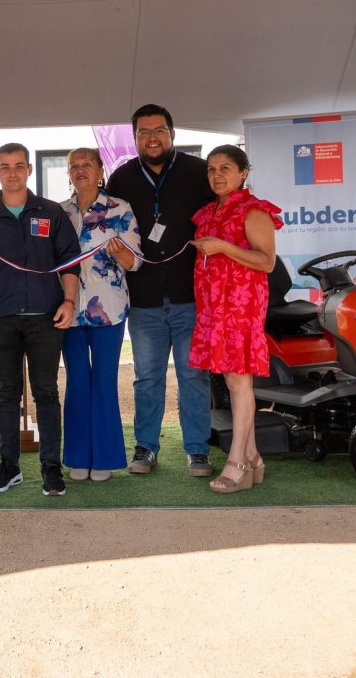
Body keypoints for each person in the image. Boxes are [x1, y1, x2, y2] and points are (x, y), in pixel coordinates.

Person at [0, 143, 80, 496]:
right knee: (7, 393)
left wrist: (69, 301)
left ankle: (51, 469)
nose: (12, 172)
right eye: (5, 166)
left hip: (45, 316)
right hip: (2, 317)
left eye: (18, 166)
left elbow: (70, 261)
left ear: (28, 169)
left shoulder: (51, 212)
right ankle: (9, 467)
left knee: (46, 392)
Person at [106, 104, 215, 478]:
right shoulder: (121, 178)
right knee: (147, 378)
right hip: (144, 297)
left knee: (194, 376)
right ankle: (146, 447)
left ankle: (197, 450)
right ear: (135, 137)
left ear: (172, 134)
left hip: (191, 295)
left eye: (159, 131)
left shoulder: (199, 172)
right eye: (144, 132)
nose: (152, 138)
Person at [191, 145, 282, 493]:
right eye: (211, 169)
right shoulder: (208, 212)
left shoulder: (253, 210)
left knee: (239, 382)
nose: (217, 175)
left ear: (243, 173)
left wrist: (224, 247)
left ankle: (238, 464)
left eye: (225, 168)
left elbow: (267, 262)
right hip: (214, 306)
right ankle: (254, 458)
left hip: (240, 306)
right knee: (232, 381)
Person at [59, 148, 140, 483]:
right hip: (68, 309)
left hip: (109, 309)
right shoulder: (59, 212)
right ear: (68, 173)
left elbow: (135, 262)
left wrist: (121, 253)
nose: (81, 171)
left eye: (87, 165)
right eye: (74, 166)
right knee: (77, 381)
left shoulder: (120, 208)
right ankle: (79, 457)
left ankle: (105, 458)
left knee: (104, 382)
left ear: (100, 169)